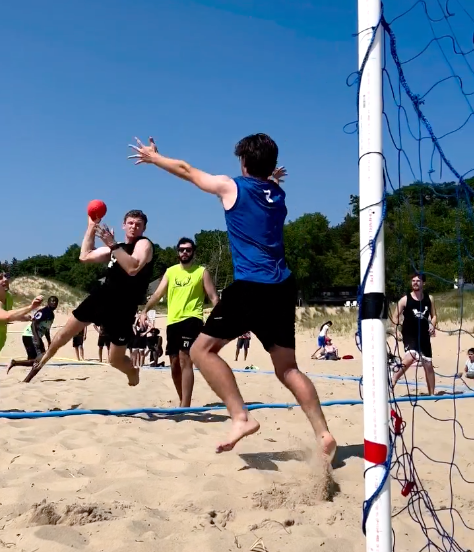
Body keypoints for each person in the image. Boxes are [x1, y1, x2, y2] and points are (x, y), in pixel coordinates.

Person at [129, 133, 336, 459]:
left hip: (252, 285)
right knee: (288, 370)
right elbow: (265, 188)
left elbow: (187, 170)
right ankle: (323, 433)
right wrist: (271, 178)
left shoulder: (232, 186)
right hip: (283, 287)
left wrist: (155, 158)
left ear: (243, 162)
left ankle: (240, 417)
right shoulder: (278, 195)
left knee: (201, 351)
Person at [20, 210, 154, 384]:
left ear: (144, 228)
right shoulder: (117, 246)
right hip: (102, 296)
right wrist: (91, 226)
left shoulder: (144, 244)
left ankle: (132, 372)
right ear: (123, 225)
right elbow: (84, 256)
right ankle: (40, 363)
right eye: (130, 223)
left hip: (123, 307)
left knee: (114, 360)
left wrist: (112, 244)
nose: (134, 227)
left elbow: (133, 267)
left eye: (138, 224)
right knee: (63, 334)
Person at [142, 237, 219, 407]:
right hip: (173, 322)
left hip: (193, 319)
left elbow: (213, 297)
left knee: (185, 359)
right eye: (182, 249)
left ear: (193, 252)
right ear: (177, 252)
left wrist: (221, 316)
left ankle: (185, 405)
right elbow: (157, 294)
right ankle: (182, 399)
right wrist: (145, 310)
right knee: (174, 364)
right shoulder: (171, 272)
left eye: (188, 249)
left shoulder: (201, 272)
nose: (185, 252)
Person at [392, 273, 437, 395]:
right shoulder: (405, 299)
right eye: (413, 280)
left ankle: (431, 393)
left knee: (428, 364)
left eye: (418, 280)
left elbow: (434, 316)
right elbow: (395, 316)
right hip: (409, 333)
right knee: (411, 356)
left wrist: (432, 325)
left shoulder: (429, 298)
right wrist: (397, 330)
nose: (415, 283)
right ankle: (393, 378)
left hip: (424, 335)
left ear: (423, 283)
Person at [7, 296, 59, 372]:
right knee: (41, 357)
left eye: (56, 301)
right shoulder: (44, 311)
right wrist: (36, 338)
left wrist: (49, 341)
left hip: (32, 336)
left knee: (35, 360)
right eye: (52, 301)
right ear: (48, 302)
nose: (54, 302)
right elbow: (33, 323)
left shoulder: (51, 315)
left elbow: (46, 329)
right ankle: (16, 364)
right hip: (30, 335)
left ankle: (15, 363)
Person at [0, 271, 44, 353]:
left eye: (6, 276)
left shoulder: (8, 297)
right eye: (0, 278)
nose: (5, 279)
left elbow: (10, 314)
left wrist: (25, 317)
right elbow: (6, 316)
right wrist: (31, 307)